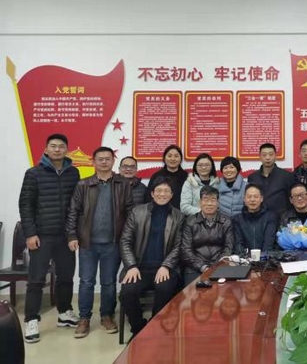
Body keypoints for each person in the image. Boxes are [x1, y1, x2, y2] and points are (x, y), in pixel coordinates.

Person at [66, 146, 134, 339]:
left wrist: (127, 238)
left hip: (113, 243)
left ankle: (106, 316)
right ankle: (84, 318)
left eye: (107, 159)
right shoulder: (83, 184)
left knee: (108, 282)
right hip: (88, 243)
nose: (104, 162)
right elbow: (73, 211)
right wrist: (71, 236)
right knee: (86, 282)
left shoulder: (123, 184)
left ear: (113, 161)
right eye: (100, 159)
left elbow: (130, 212)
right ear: (93, 162)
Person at [19, 133, 80, 343]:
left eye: (61, 146)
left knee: (66, 277)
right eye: (53, 146)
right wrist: (30, 233)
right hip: (41, 236)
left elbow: (76, 205)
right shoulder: (33, 173)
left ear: (66, 150)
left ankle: (64, 313)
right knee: (36, 280)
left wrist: (73, 233)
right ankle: (31, 320)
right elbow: (25, 205)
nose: (57, 149)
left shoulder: (73, 173)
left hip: (65, 236)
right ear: (46, 149)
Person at [119, 177, 184, 339]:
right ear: (152, 193)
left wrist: (166, 266)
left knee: (165, 289)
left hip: (164, 267)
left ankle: (155, 326)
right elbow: (125, 241)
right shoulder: (137, 212)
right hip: (139, 267)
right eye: (159, 191)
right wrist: (131, 266)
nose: (162, 194)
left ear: (171, 195)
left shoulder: (178, 216)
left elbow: (178, 246)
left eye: (166, 191)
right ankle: (138, 328)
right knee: (127, 292)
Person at [181, 186, 234, 285]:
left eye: (213, 200)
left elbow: (228, 247)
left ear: (218, 203)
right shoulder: (190, 222)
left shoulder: (226, 222)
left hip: (220, 267)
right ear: (200, 203)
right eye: (206, 200)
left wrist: (216, 266)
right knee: (193, 292)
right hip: (194, 268)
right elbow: (186, 251)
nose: (209, 204)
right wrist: (203, 267)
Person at [248, 143, 294, 220]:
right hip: (259, 219)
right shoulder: (253, 177)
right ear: (260, 157)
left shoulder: (286, 176)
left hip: (281, 219)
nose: (268, 158)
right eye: (264, 155)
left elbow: (291, 199)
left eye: (271, 154)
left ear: (275, 156)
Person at [232, 184, 277, 255]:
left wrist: (262, 258)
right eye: (249, 197)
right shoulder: (237, 219)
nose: (252, 200)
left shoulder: (270, 217)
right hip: (244, 259)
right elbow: (238, 244)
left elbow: (268, 244)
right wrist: (245, 258)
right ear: (244, 199)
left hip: (265, 259)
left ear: (261, 199)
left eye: (256, 197)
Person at [145, 145, 188, 210]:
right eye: (169, 156)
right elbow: (148, 197)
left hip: (182, 213)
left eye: (176, 156)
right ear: (164, 158)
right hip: (159, 211)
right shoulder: (157, 176)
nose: (173, 159)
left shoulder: (187, 177)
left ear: (180, 159)